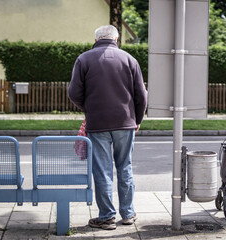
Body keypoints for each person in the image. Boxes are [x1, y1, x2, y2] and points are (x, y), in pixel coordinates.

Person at [68, 25, 147, 230]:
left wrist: (89, 108)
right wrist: (137, 119)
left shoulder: (84, 59)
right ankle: (128, 214)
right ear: (116, 39)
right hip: (125, 122)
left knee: (102, 170)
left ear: (95, 40)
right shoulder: (130, 59)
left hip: (98, 123)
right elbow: (142, 95)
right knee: (125, 167)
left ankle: (106, 216)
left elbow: (73, 93)